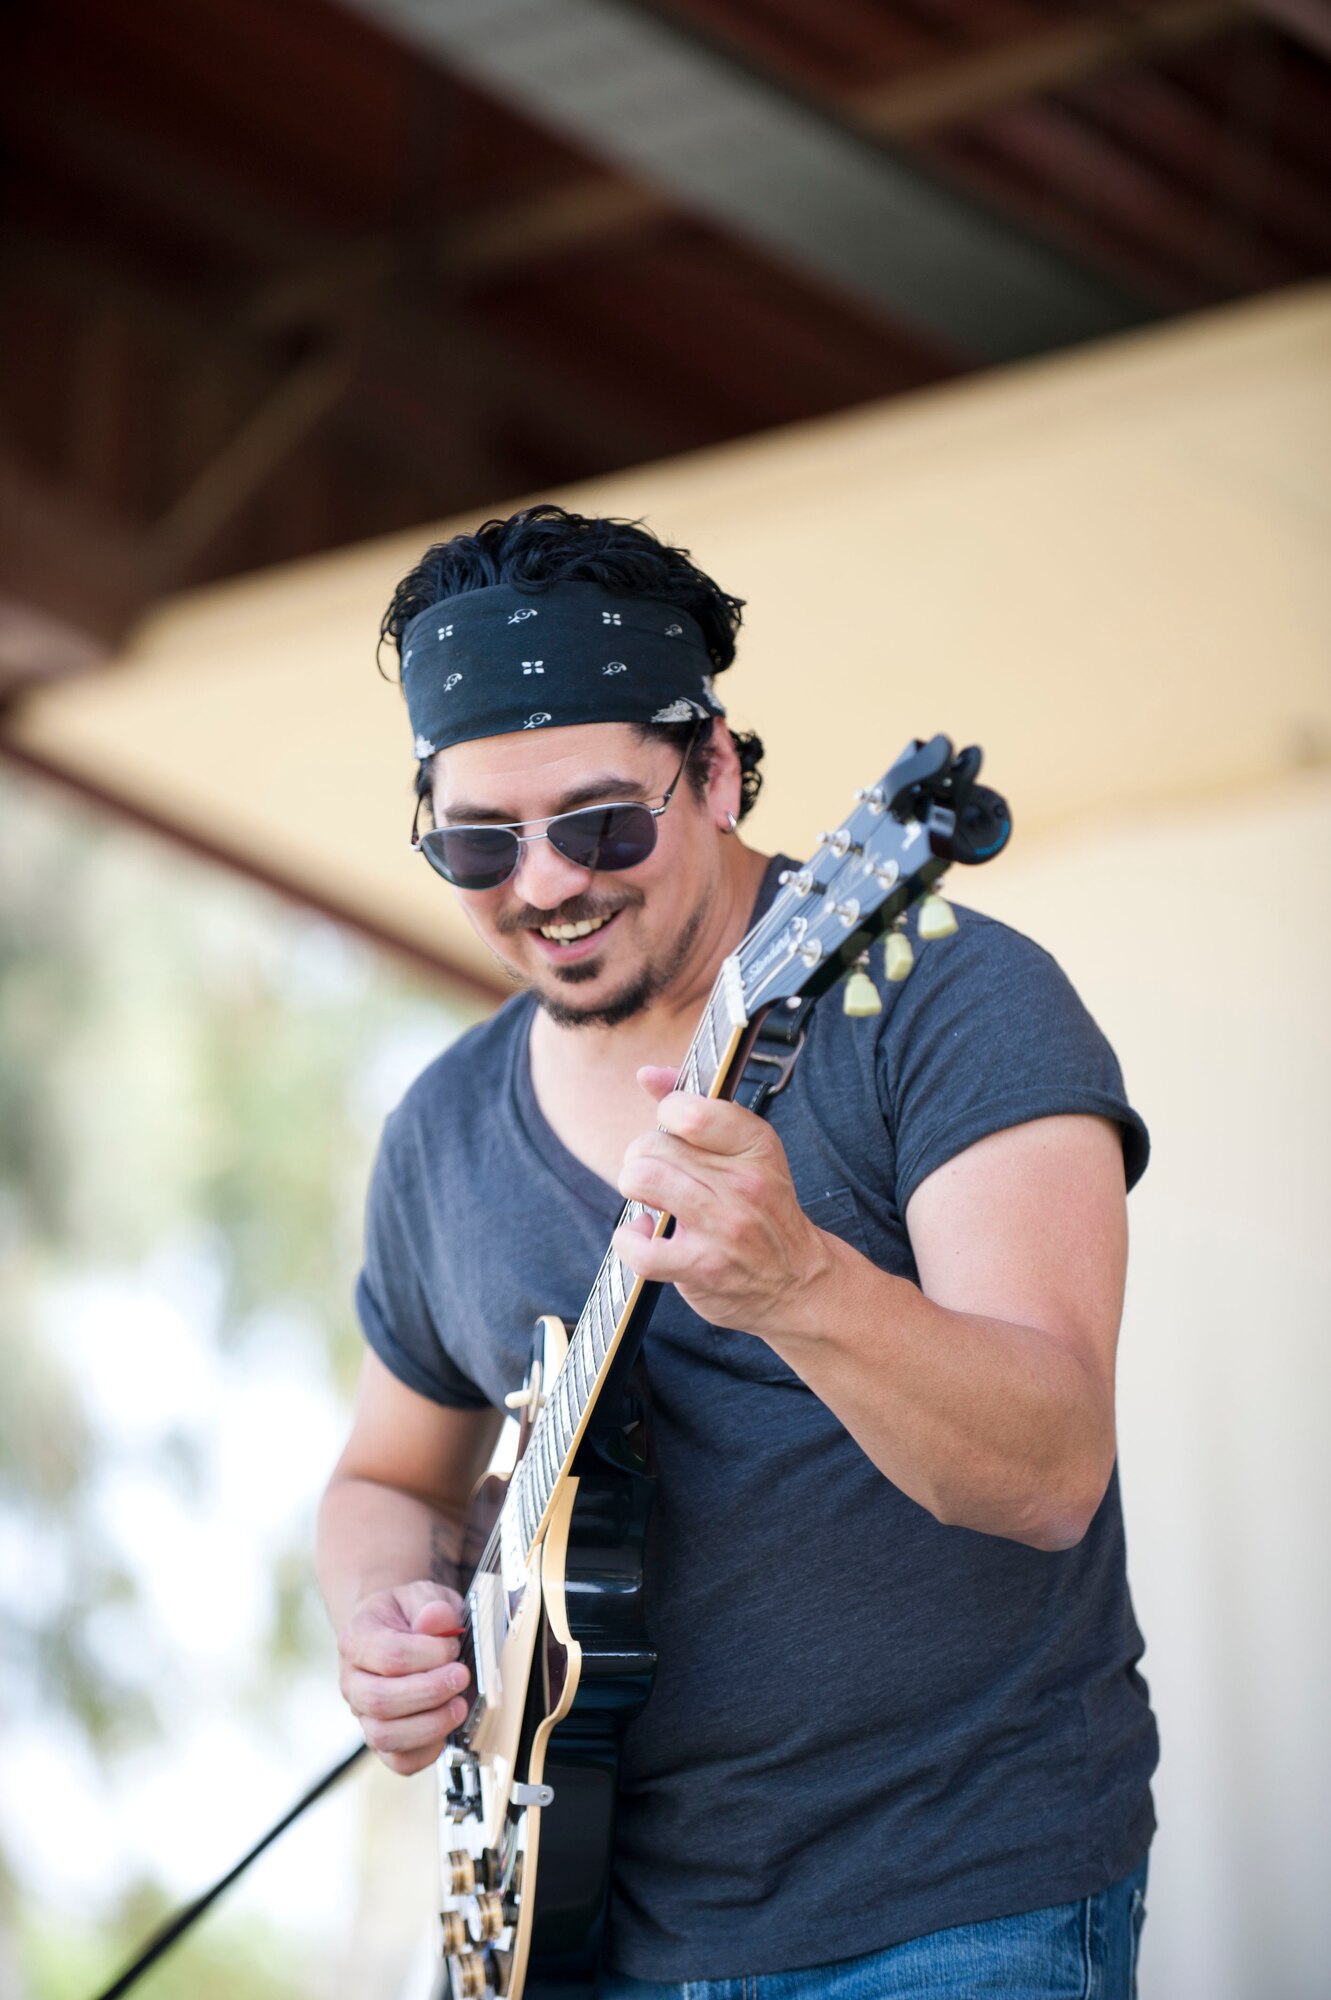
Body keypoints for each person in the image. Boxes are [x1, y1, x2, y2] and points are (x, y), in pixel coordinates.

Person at [316, 504, 1156, 1998]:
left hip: (953, 1901)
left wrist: (802, 1285)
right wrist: (389, 1615)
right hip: (578, 1930)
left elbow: (1046, 1474)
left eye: (601, 824)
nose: (548, 883)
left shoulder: (956, 1004)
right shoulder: (441, 1132)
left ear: (714, 768)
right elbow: (387, 1478)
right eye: (477, 844)